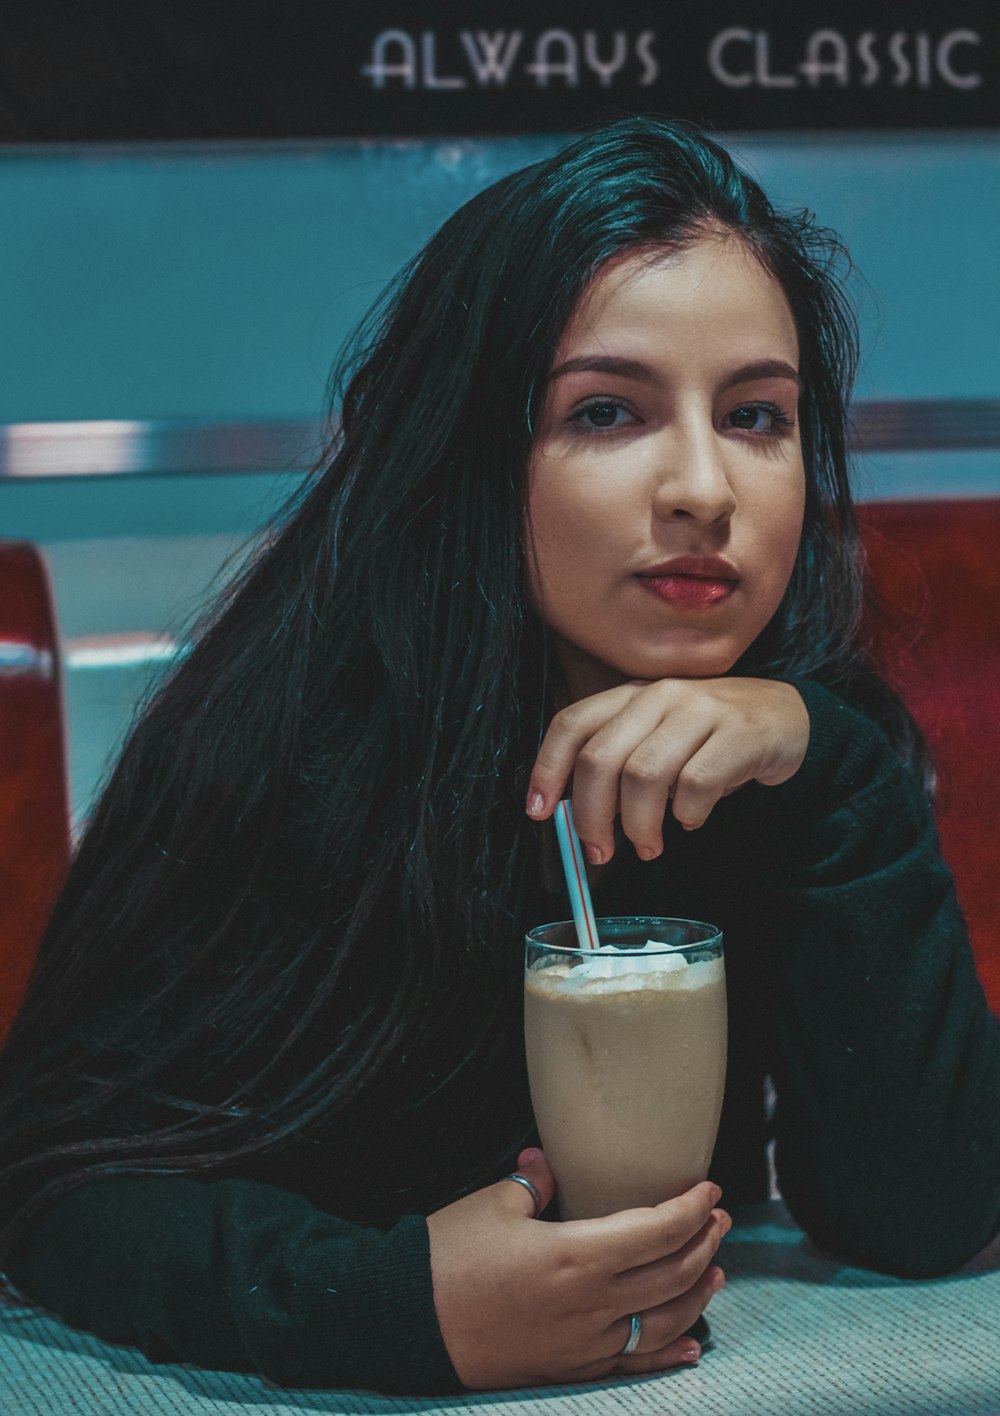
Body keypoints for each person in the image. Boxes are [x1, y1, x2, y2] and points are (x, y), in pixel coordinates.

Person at [1, 117, 998, 1397]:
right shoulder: (310, 736)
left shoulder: (798, 739)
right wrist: (385, 1308)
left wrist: (833, 767)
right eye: (606, 412)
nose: (704, 487)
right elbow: (53, 1183)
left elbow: (920, 1214)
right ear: (479, 447)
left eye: (756, 414)